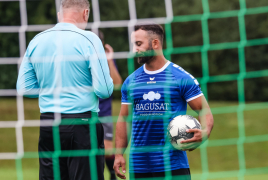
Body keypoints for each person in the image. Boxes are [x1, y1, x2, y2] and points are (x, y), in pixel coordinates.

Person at [16, 0, 113, 180]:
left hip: (48, 123)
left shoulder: (37, 40)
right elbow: (105, 90)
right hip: (81, 124)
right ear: (85, 13)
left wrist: (53, 89)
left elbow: (24, 88)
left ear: (60, 14)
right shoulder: (89, 39)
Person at [113, 23, 214, 180]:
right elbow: (124, 119)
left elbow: (204, 110)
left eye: (139, 44)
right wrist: (119, 154)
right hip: (139, 166)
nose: (135, 49)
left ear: (155, 43)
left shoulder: (181, 78)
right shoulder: (131, 81)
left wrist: (205, 132)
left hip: (173, 166)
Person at [97, 31, 122, 180]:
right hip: (84, 113)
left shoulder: (107, 61)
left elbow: (117, 83)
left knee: (107, 149)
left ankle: (112, 175)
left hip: (104, 113)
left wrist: (110, 60)